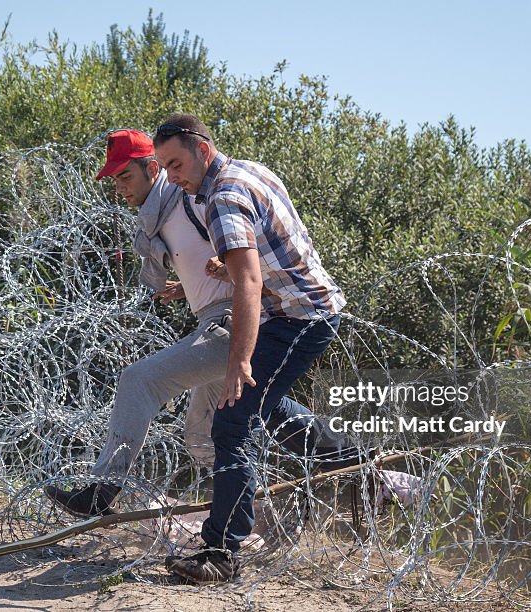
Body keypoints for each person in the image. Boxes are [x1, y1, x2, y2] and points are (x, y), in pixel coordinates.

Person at [44, 130, 365, 517]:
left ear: (151, 169)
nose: (119, 188)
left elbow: (248, 255)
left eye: (125, 176)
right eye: (114, 180)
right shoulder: (159, 215)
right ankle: (334, 466)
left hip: (235, 323)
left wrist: (240, 346)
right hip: (220, 318)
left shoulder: (190, 199)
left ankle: (101, 492)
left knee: (140, 380)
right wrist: (190, 286)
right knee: (211, 433)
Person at [153, 113, 359, 584]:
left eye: (177, 162)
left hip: (298, 318)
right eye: (163, 166)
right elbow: (266, 256)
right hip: (299, 308)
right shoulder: (246, 170)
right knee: (263, 406)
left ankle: (221, 552)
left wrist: (239, 361)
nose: (171, 175)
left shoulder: (223, 198)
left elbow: (250, 281)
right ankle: (353, 461)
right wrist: (225, 268)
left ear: (202, 150)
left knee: (232, 420)